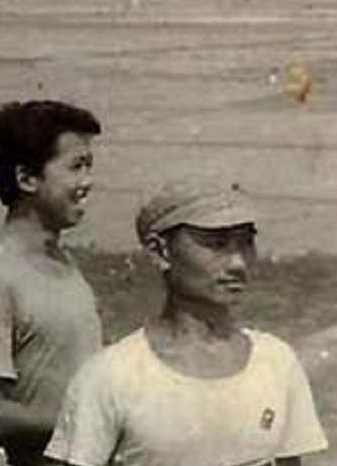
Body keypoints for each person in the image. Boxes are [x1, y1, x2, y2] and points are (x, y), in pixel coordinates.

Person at [45, 181, 328, 466]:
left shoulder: (276, 363)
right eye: (217, 244)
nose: (238, 263)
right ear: (160, 251)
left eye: (246, 242)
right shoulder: (111, 376)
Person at [0, 100, 104, 465]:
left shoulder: (67, 266)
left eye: (89, 166)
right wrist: (88, 420)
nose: (88, 182)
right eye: (76, 167)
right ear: (26, 178)